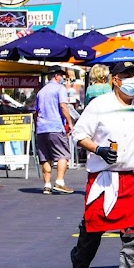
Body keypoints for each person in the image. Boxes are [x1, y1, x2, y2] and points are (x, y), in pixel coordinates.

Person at [70, 62, 134, 268]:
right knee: (94, 228)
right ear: (115, 80)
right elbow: (79, 134)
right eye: (127, 76)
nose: (133, 80)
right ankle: (80, 259)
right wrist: (98, 149)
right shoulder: (100, 105)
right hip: (104, 179)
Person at [34, 66, 76, 195]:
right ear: (57, 76)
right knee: (63, 154)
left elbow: (35, 111)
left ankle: (47, 185)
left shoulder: (41, 92)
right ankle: (59, 182)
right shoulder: (60, 89)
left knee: (45, 157)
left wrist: (38, 125)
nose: (63, 78)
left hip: (41, 128)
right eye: (62, 76)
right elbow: (63, 106)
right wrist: (70, 123)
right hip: (55, 126)